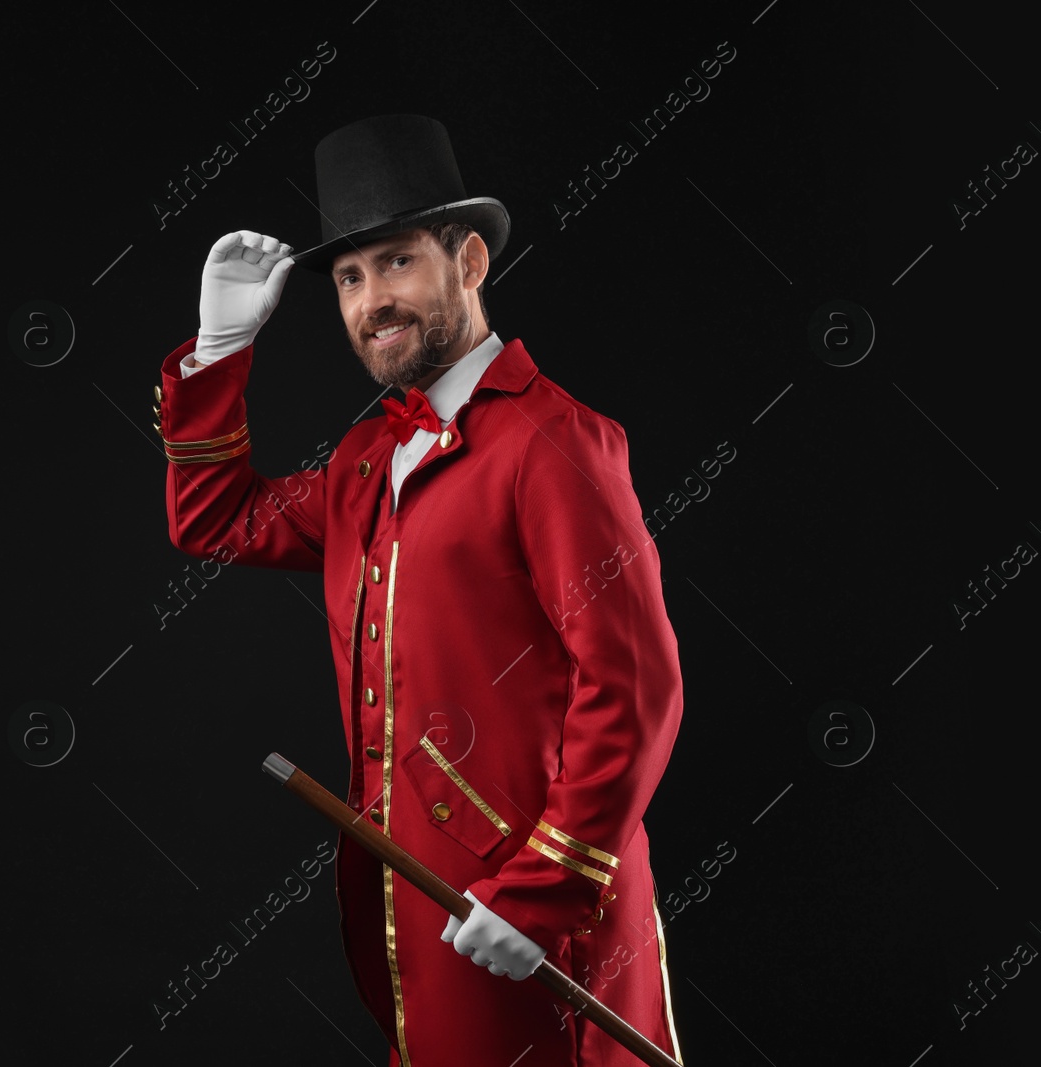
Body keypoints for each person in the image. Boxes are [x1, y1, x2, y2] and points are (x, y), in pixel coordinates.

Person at [156, 114, 685, 1067]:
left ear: (469, 260)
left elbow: (635, 686)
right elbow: (217, 519)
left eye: (396, 263)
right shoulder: (367, 458)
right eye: (350, 280)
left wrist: (544, 887)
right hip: (415, 913)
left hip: (535, 914)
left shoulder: (555, 443)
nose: (370, 302)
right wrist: (220, 344)